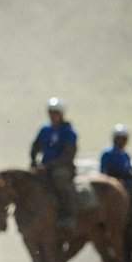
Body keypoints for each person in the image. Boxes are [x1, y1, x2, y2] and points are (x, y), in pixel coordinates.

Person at [29, 97, 79, 231]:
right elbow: (35, 147)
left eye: (56, 112)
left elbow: (68, 154)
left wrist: (50, 166)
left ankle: (67, 216)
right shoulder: (45, 130)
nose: (53, 115)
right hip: (44, 167)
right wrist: (34, 161)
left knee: (60, 180)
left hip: (62, 168)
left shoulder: (69, 132)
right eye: (51, 112)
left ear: (62, 114)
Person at [99, 124, 132, 192]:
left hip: (125, 182)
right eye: (120, 139)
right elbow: (103, 171)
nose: (123, 141)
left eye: (124, 139)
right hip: (111, 182)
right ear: (115, 139)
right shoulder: (107, 153)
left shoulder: (126, 155)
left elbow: (130, 170)